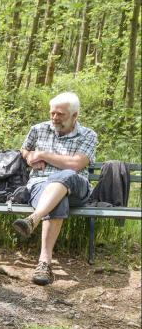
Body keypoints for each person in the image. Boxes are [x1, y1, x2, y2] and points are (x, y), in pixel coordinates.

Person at [12, 92, 98, 286]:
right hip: (40, 186)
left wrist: (42, 154)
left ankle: (34, 218)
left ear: (75, 115)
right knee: (59, 198)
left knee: (66, 174)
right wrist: (28, 158)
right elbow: (24, 150)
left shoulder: (89, 135)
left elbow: (76, 164)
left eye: (61, 114)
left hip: (77, 187)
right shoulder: (37, 129)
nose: (54, 118)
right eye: (52, 113)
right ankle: (44, 263)